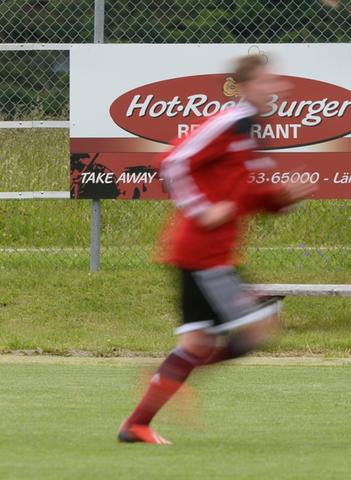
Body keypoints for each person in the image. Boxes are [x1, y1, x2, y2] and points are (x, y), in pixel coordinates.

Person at [117, 55, 314, 445]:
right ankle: (171, 377)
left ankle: (138, 422)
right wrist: (202, 209)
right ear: (242, 87)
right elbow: (173, 162)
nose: (272, 87)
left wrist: (281, 199)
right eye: (263, 81)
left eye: (273, 81)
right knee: (262, 327)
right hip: (205, 253)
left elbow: (249, 195)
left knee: (195, 344)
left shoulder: (251, 133)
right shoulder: (229, 122)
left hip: (204, 253)